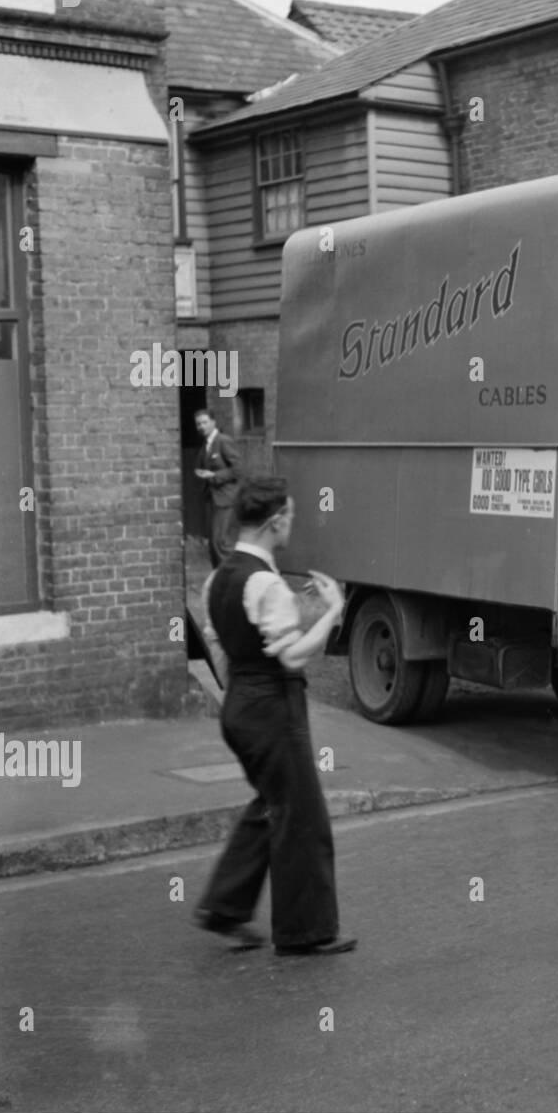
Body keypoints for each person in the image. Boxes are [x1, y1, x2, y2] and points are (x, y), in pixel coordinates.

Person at [194, 475, 356, 956]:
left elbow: (217, 645)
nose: (291, 525)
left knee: (272, 804)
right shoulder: (267, 585)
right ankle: (305, 932)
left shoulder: (217, 579)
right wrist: (333, 612)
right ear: (274, 521)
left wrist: (239, 698)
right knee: (302, 817)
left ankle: (223, 907)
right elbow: (291, 656)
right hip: (274, 709)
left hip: (240, 705)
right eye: (289, 516)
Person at [194, 409, 241, 567]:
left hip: (226, 499)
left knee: (221, 543)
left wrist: (213, 476)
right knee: (214, 545)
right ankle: (219, 580)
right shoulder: (205, 446)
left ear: (213, 422)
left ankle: (230, 580)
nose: (201, 426)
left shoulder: (223, 441)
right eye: (198, 424)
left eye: (204, 422)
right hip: (212, 501)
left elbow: (238, 469)